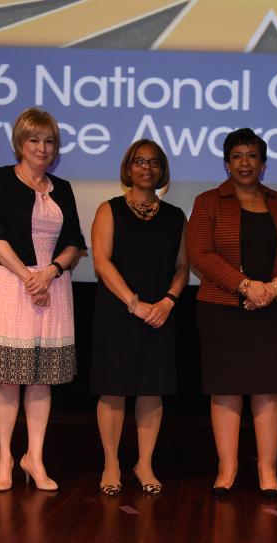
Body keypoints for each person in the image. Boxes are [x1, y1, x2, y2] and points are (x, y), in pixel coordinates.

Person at [0, 107, 86, 492]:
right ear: (20, 143)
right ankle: (4, 457)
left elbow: (74, 244)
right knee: (7, 377)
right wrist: (28, 276)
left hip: (51, 286)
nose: (42, 147)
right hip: (7, 282)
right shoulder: (0, 178)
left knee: (41, 379)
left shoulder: (63, 188)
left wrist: (49, 272)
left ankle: (34, 458)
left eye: (49, 141)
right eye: (35, 140)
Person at [187, 128, 277, 499]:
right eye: (237, 156)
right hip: (221, 309)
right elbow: (200, 253)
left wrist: (272, 288)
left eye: (252, 156)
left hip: (273, 310)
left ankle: (267, 470)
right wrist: (245, 286)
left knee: (269, 390)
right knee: (225, 389)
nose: (244, 163)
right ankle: (228, 468)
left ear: (263, 164)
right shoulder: (208, 202)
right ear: (226, 163)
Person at [90, 139, 188, 496]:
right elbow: (102, 262)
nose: (147, 168)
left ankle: (144, 462)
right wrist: (134, 303)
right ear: (127, 168)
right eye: (139, 161)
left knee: (152, 388)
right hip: (119, 310)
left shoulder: (176, 216)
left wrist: (167, 301)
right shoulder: (108, 209)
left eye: (154, 162)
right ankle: (111, 463)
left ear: (162, 170)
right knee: (113, 388)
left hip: (160, 314)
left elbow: (182, 267)